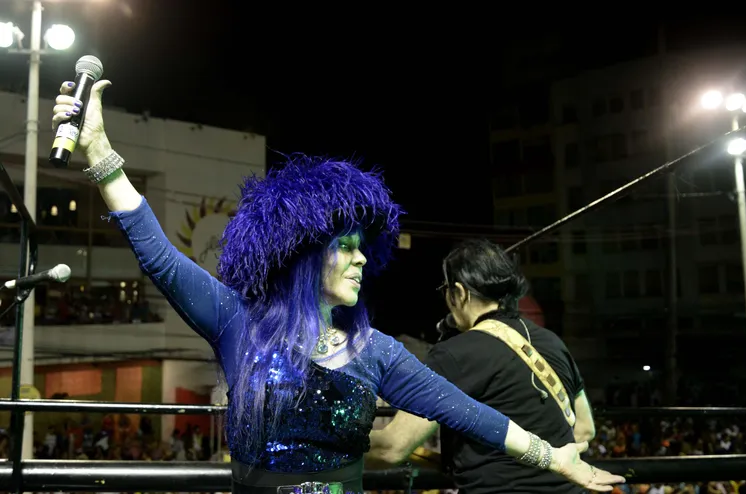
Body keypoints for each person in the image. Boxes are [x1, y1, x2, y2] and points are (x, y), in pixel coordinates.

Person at [50, 79, 624, 494]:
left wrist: (555, 458)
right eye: (344, 247)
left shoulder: (379, 353)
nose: (359, 261)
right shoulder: (238, 322)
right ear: (304, 254)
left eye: (360, 249)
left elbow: (466, 411)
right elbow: (158, 254)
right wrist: (101, 154)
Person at [367, 239, 599, 494]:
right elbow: (585, 429)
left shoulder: (453, 354)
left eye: (445, 289)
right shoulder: (553, 342)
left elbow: (392, 447)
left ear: (459, 292)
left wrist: (327, 445)